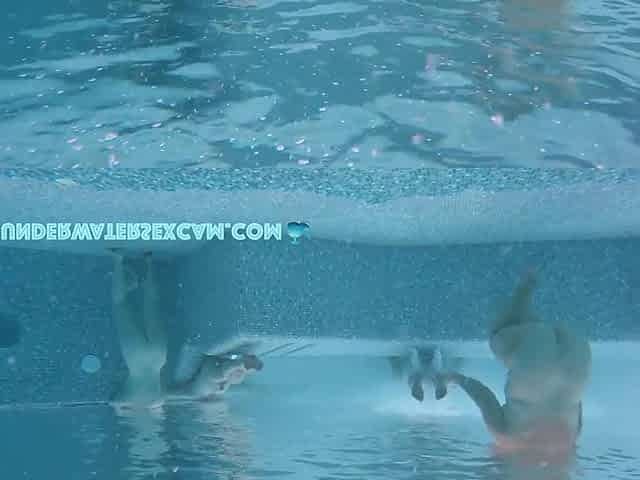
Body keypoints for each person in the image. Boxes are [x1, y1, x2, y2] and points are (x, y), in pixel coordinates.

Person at [435, 270, 591, 459]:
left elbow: (574, 405)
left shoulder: (571, 440)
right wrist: (454, 378)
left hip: (576, 353)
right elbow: (484, 397)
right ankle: (527, 284)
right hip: (536, 365)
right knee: (499, 335)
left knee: (531, 340)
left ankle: (534, 319)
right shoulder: (509, 441)